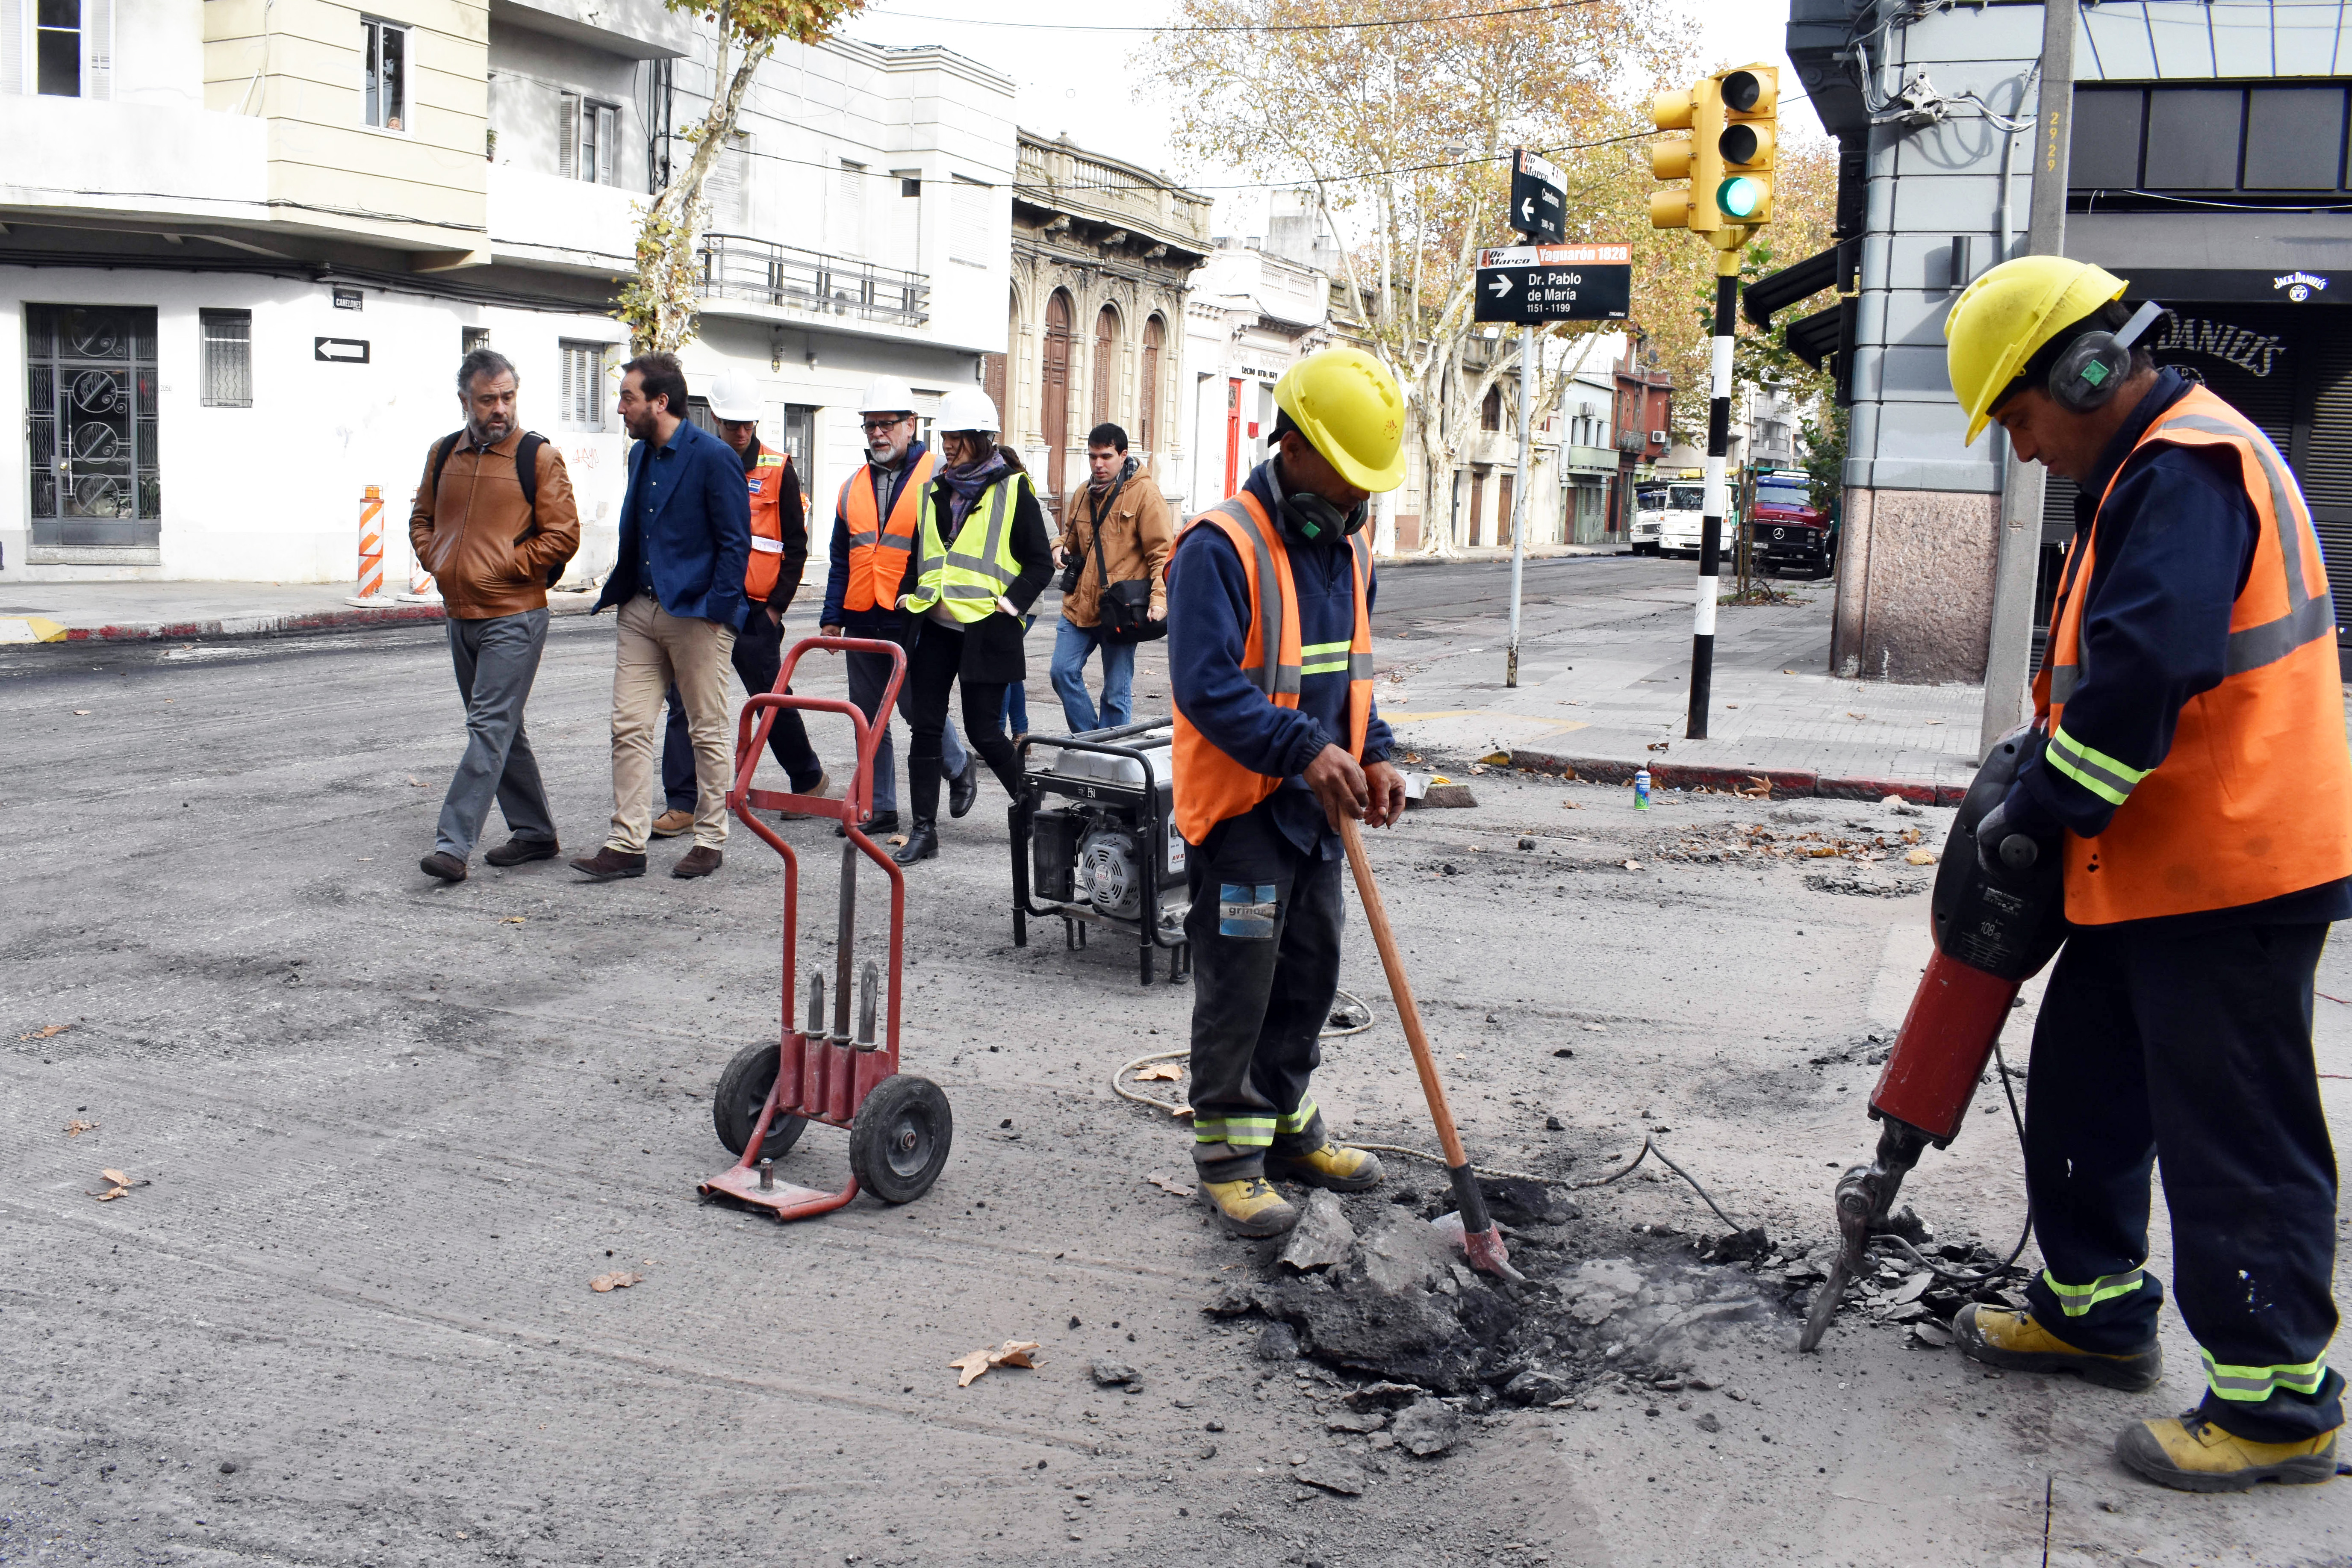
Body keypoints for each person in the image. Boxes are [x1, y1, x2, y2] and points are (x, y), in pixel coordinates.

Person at [1942, 255, 2352, 1492]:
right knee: (2082, 1091)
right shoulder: (2136, 473)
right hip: (2151, 867)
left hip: (2232, 868)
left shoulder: (2186, 470)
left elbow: (2139, 675)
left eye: (2015, 416)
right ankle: (2093, 1311)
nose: (2019, 451)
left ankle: (2278, 1405)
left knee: (2229, 1130)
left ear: (2079, 369)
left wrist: (2040, 808)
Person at [1166, 346, 1408, 1239]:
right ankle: (1229, 1156)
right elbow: (1207, 686)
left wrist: (1374, 752)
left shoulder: (1350, 549)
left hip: (1316, 813)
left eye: (1366, 482)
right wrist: (1305, 750)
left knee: (1310, 975)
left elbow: (1351, 679)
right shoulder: (1217, 547)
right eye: (1345, 475)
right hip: (1241, 813)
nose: (1356, 496)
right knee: (1242, 984)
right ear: (1294, 447)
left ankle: (1287, 1122)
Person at [574, 353, 750, 882]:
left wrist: (717, 613)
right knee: (628, 724)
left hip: (696, 614)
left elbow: (735, 543)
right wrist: (625, 596)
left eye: (628, 397)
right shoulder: (641, 456)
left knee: (706, 729)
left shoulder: (714, 457)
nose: (620, 407)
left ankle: (710, 838)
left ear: (661, 401)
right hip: (640, 609)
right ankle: (627, 844)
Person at [411, 347, 580, 883]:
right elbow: (422, 517)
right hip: (460, 614)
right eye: (488, 400)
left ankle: (453, 845)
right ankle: (534, 832)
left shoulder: (537, 457)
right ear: (466, 400)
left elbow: (563, 534)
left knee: (487, 726)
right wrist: (437, 559)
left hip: (515, 614)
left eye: (508, 397)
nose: (500, 408)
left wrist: (508, 567)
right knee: (503, 727)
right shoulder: (444, 455)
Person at [648, 371, 831, 834]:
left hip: (754, 610)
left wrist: (774, 610)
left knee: (770, 698)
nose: (741, 432)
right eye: (733, 424)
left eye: (748, 423)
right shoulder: (691, 462)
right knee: (685, 701)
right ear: (715, 418)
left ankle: (808, 779)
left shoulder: (777, 467)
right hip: (702, 602)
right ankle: (685, 802)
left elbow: (795, 546)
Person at [890, 386, 1052, 866]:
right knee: (925, 725)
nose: (950, 447)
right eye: (946, 437)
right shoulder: (933, 491)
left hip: (987, 629)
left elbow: (1040, 564)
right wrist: (907, 597)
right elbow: (920, 558)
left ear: (984, 439)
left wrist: (1011, 603)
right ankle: (924, 830)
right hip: (935, 628)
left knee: (985, 733)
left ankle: (1029, 802)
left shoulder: (1014, 488)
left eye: (959, 438)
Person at [818, 376, 977, 836]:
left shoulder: (940, 473)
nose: (877, 434)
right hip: (863, 612)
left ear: (911, 424)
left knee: (912, 704)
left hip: (916, 613)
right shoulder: (852, 487)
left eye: (887, 424)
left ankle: (957, 761)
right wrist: (831, 617)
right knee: (867, 715)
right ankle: (879, 805)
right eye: (870, 426)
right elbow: (839, 556)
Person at [1052, 421, 1171, 734]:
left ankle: (1111, 755)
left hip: (1120, 608)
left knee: (1116, 693)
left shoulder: (1145, 493)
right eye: (1093, 457)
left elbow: (1162, 554)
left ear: (1123, 455)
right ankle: (1095, 742)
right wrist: (1058, 548)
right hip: (1079, 605)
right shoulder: (1083, 492)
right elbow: (1070, 537)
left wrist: (1160, 598)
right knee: (1061, 673)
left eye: (1105, 456)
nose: (1098, 464)